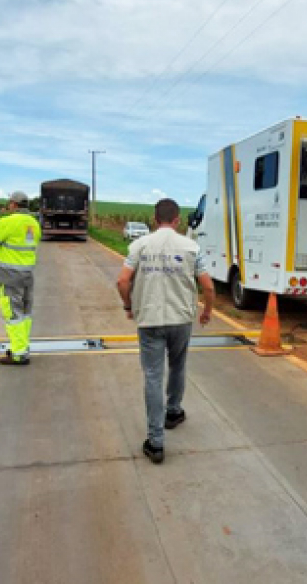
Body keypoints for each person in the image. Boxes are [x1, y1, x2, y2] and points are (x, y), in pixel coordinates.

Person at [116, 199, 216, 465]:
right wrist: (206, 312)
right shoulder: (192, 247)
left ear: (154, 218)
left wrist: (129, 305)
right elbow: (208, 286)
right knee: (178, 365)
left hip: (149, 320)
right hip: (181, 320)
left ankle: (156, 441)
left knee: (152, 376)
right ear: (177, 220)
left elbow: (122, 280)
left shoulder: (139, 246)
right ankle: (173, 411)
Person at [0, 191, 41, 365]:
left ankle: (18, 354)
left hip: (10, 276)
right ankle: (22, 347)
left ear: (14, 205)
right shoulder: (34, 223)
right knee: (24, 314)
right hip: (27, 275)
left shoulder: (7, 221)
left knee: (12, 315)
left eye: (10, 203)